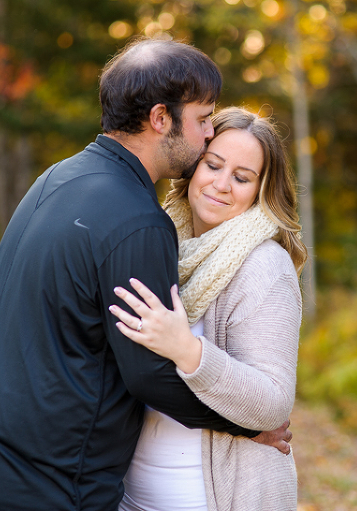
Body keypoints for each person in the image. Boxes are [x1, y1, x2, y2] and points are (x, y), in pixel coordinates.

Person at [0, 39, 288, 511]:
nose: (207, 134)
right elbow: (149, 375)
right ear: (161, 119)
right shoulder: (137, 221)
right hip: (45, 487)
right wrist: (250, 426)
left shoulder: (58, 179)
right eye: (202, 120)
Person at [108, 106, 307, 511]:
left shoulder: (264, 265)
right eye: (212, 165)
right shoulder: (159, 241)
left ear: (261, 190)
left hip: (215, 500)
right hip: (130, 497)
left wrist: (188, 351)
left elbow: (272, 402)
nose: (221, 185)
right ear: (193, 167)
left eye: (242, 177)